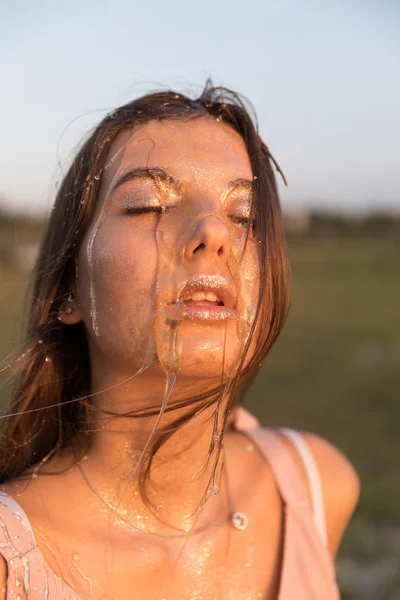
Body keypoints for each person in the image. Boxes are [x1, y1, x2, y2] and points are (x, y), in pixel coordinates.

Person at [0, 84, 359, 599]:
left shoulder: (316, 487)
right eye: (149, 205)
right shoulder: (12, 566)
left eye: (243, 216)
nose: (214, 232)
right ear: (69, 290)